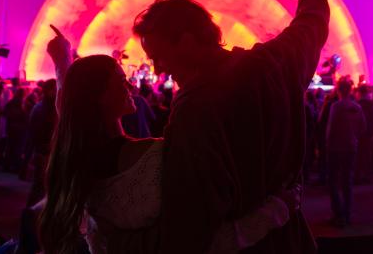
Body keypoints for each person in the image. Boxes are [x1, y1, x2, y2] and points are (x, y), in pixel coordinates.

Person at [132, 0, 328, 252]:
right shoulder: (271, 64)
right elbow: (310, 26)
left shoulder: (194, 111)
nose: (158, 69)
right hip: (291, 240)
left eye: (159, 56)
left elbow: (193, 229)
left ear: (186, 41)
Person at [39, 52, 296, 254]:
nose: (129, 85)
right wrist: (274, 211)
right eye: (120, 80)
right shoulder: (154, 158)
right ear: (100, 97)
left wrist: (63, 61)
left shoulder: (79, 163)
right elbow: (197, 242)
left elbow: (70, 106)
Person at [325, 77, 366, 227]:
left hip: (335, 148)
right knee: (347, 181)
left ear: (338, 90)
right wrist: (353, 137)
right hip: (351, 147)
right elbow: (363, 127)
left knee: (333, 181)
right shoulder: (357, 107)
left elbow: (330, 129)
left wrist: (327, 144)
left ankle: (338, 214)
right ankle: (347, 214)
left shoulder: (336, 106)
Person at [23, 79, 57, 206]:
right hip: (43, 152)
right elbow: (36, 133)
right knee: (40, 186)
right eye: (55, 88)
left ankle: (33, 214)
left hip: (45, 151)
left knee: (42, 186)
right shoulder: (43, 108)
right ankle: (30, 215)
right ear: (49, 91)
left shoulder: (44, 107)